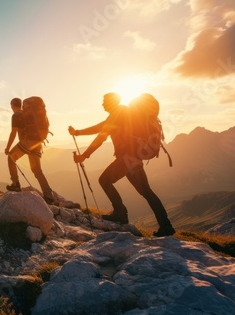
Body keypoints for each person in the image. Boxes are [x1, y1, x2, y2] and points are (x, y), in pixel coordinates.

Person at [68, 92, 175, 236]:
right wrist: (78, 133)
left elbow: (100, 136)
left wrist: (84, 155)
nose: (103, 104)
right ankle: (166, 226)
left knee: (104, 180)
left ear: (112, 102)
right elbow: (102, 128)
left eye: (105, 101)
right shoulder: (122, 113)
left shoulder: (119, 114)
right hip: (134, 158)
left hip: (127, 159)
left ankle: (120, 213)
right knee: (147, 192)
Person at [5, 98, 54, 205]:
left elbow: (13, 133)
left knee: (11, 158)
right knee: (37, 170)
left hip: (27, 142)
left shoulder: (16, 115)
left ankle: (15, 183)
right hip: (38, 142)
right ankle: (48, 195)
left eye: (11, 105)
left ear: (13, 105)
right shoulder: (30, 114)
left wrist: (8, 148)